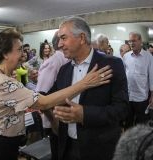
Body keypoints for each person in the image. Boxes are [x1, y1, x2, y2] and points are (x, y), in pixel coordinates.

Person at [0, 28, 113, 160]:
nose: (23, 54)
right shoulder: (4, 83)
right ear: (5, 53)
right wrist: (85, 83)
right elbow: (45, 102)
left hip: (0, 137)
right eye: (19, 50)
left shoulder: (0, 76)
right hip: (0, 140)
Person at [44, 16, 129, 160]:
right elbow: (50, 97)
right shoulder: (64, 69)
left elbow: (122, 108)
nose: (59, 44)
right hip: (67, 147)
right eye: (59, 39)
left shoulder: (111, 65)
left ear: (82, 38)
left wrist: (85, 114)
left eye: (64, 38)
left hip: (99, 148)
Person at [35, 30, 69, 160]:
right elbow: (41, 97)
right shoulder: (53, 63)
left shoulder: (68, 60)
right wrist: (54, 122)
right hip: (56, 122)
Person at [123, 31, 153, 130]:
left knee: (141, 124)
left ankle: (140, 143)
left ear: (140, 41)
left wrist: (152, 95)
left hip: (141, 97)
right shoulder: (126, 57)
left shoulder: (148, 57)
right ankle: (127, 143)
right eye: (130, 41)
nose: (131, 43)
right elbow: (123, 75)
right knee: (128, 122)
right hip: (128, 96)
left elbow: (151, 76)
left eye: (134, 41)